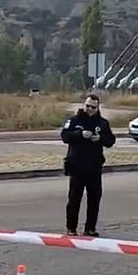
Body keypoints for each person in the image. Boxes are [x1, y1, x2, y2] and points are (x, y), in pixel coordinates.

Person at [60, 93, 116, 237]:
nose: (89, 109)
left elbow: (110, 140)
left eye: (93, 107)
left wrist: (100, 138)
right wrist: (79, 134)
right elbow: (65, 136)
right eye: (88, 106)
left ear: (98, 108)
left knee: (95, 197)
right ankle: (71, 228)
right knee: (74, 198)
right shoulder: (74, 120)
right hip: (77, 166)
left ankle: (90, 228)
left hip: (94, 166)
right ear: (84, 105)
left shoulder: (102, 123)